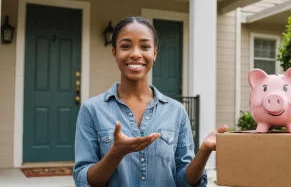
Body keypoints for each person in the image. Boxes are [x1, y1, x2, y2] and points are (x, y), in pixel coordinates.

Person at [73, 16, 228, 187]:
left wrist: (204, 151)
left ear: (154, 53)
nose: (135, 54)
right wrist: (116, 153)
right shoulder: (92, 110)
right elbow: (84, 180)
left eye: (145, 47)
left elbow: (183, 181)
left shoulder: (176, 111)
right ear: (114, 53)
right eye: (125, 46)